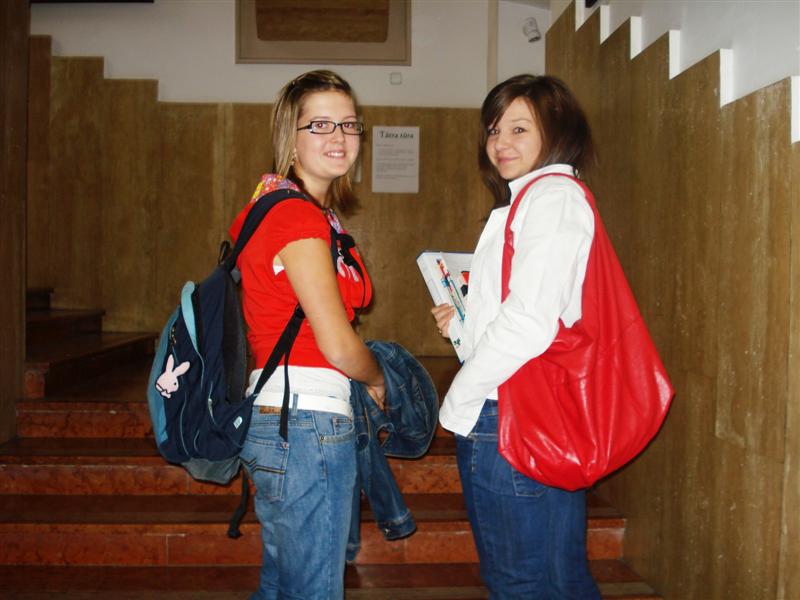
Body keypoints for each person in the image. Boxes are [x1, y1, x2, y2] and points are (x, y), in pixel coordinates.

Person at [432, 74, 602, 599]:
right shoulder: (533, 199)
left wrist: (459, 398)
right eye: (493, 129)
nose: (500, 142)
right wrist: (464, 325)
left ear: (556, 131)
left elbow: (528, 322)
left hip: (509, 413)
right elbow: (528, 312)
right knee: (559, 579)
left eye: (519, 128)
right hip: (532, 406)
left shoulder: (551, 198)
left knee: (520, 583)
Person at [229, 70, 385, 600]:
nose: (339, 136)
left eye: (349, 124)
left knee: (282, 585)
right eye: (319, 124)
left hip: (282, 419)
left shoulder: (285, 209)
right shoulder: (296, 218)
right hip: (306, 423)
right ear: (289, 138)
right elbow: (338, 346)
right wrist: (378, 377)